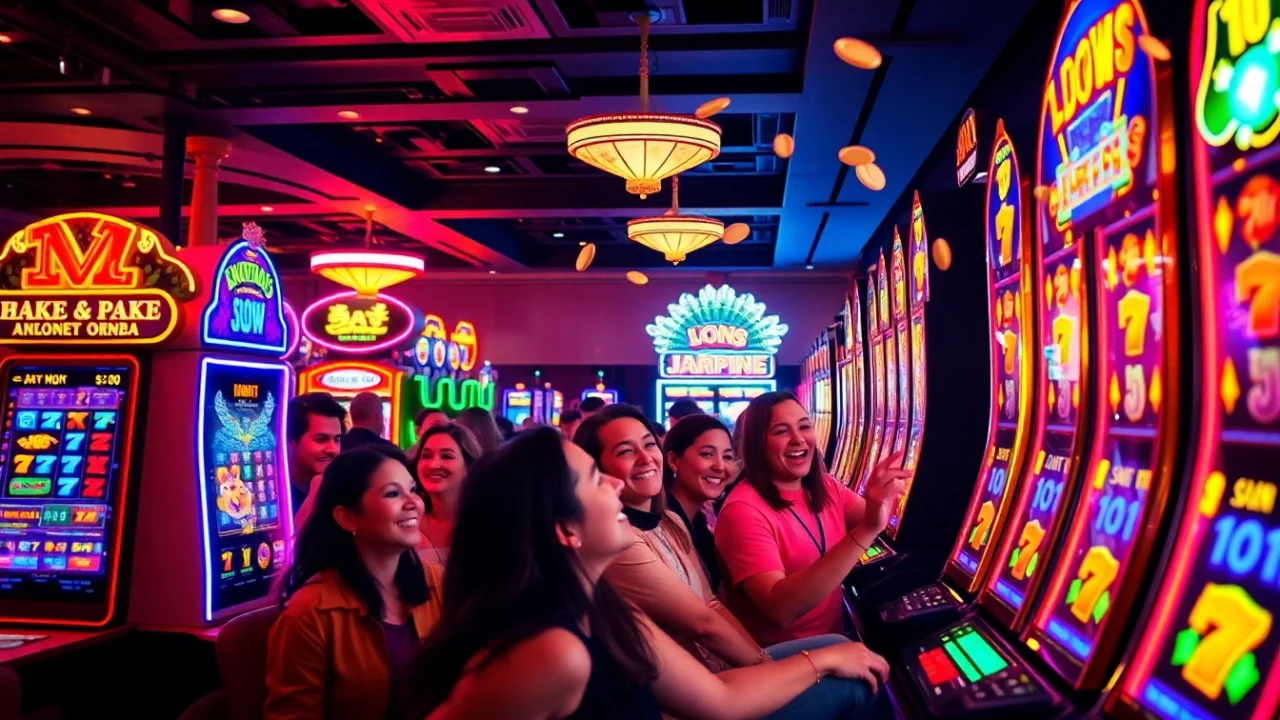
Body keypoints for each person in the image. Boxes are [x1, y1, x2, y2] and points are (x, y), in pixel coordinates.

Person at [414, 428, 891, 720]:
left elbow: (718, 697)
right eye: (597, 480)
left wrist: (823, 660)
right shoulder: (550, 649)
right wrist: (822, 667)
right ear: (564, 529)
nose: (618, 484)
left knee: (843, 652)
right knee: (856, 679)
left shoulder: (600, 602)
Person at [575, 406, 886, 719]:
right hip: (699, 690)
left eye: (649, 444)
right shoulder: (621, 547)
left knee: (839, 645)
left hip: (713, 670)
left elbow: (710, 604)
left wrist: (762, 662)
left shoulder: (669, 520)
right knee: (858, 683)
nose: (646, 458)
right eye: (626, 451)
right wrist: (770, 669)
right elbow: (704, 625)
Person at [716, 392, 909, 646]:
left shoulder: (824, 487)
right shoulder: (742, 511)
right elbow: (780, 608)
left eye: (804, 426)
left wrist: (885, 497)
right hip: (779, 663)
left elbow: (886, 520)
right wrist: (865, 531)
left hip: (831, 645)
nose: (798, 439)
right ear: (757, 443)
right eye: (781, 431)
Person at [265, 446, 445, 720]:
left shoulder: (438, 582)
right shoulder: (309, 614)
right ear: (347, 517)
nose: (414, 503)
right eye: (393, 493)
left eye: (412, 489)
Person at [663, 413, 733, 594]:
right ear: (673, 460)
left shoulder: (698, 521)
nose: (720, 466)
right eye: (707, 454)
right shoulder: (661, 523)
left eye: (727, 457)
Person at [415, 424, 482, 565]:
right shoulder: (407, 521)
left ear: (468, 466)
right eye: (426, 456)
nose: (433, 465)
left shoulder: (489, 522)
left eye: (446, 456)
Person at [286, 392, 346, 517]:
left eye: (337, 439)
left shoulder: (340, 484)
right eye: (321, 439)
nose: (333, 449)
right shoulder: (270, 488)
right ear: (290, 442)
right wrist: (314, 494)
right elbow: (287, 537)